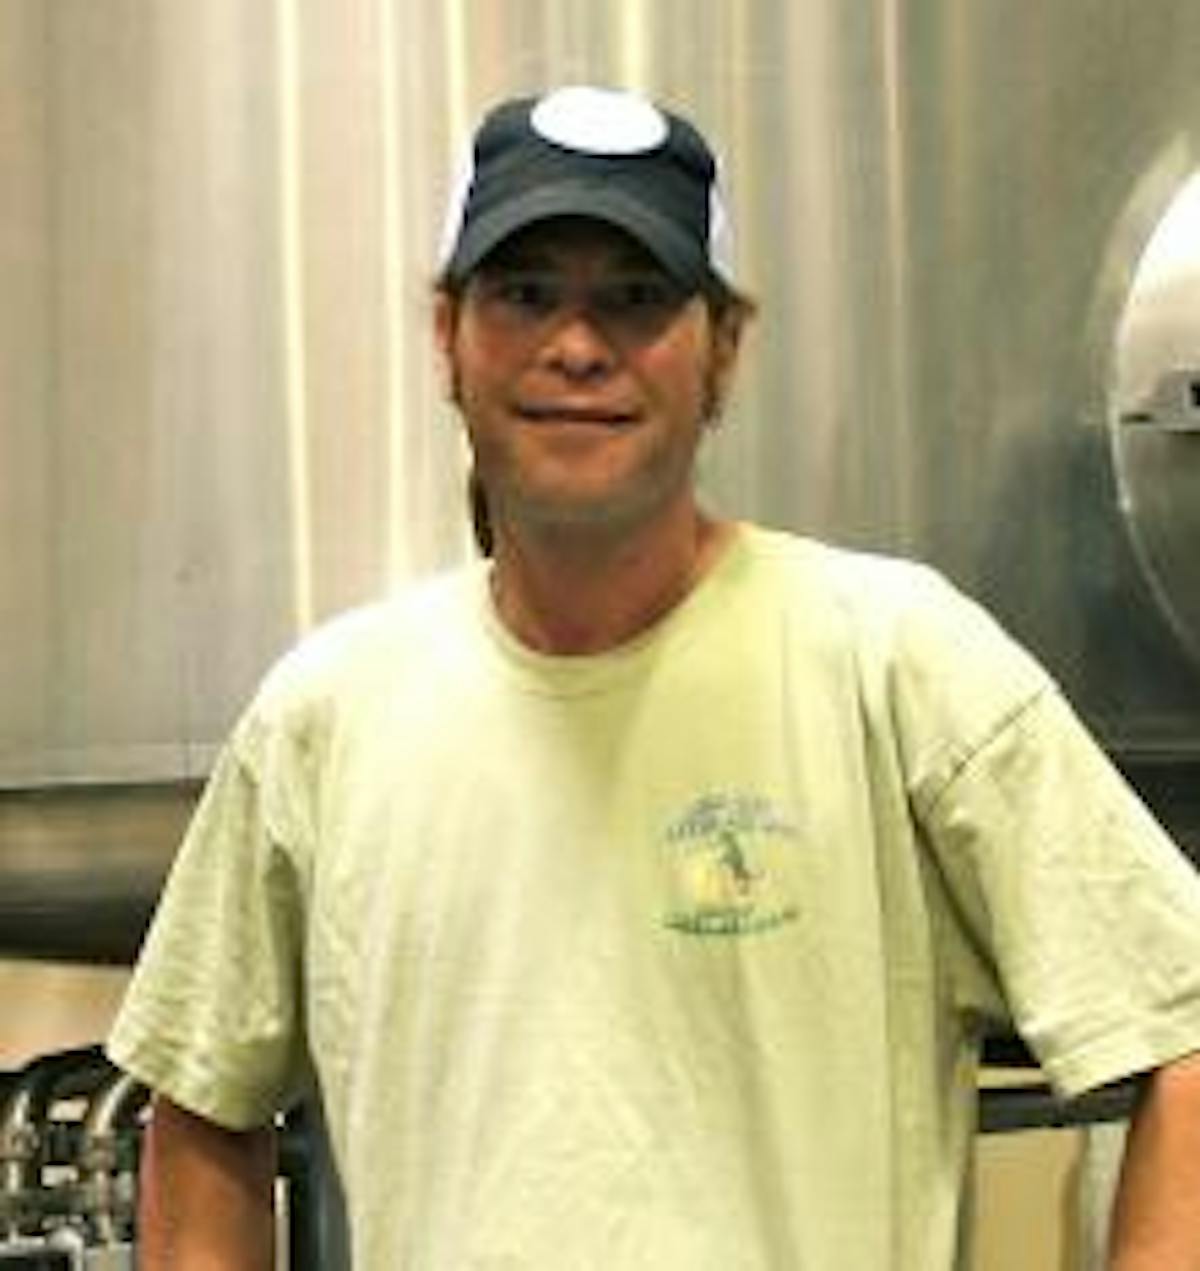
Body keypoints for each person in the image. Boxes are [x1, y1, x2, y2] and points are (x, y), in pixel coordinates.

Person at [108, 85, 1200, 1269]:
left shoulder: (897, 666)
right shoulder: (325, 718)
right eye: (526, 293)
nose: (577, 346)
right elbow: (205, 1108)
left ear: (724, 348)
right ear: (447, 337)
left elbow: (1183, 1035)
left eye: (634, 299)